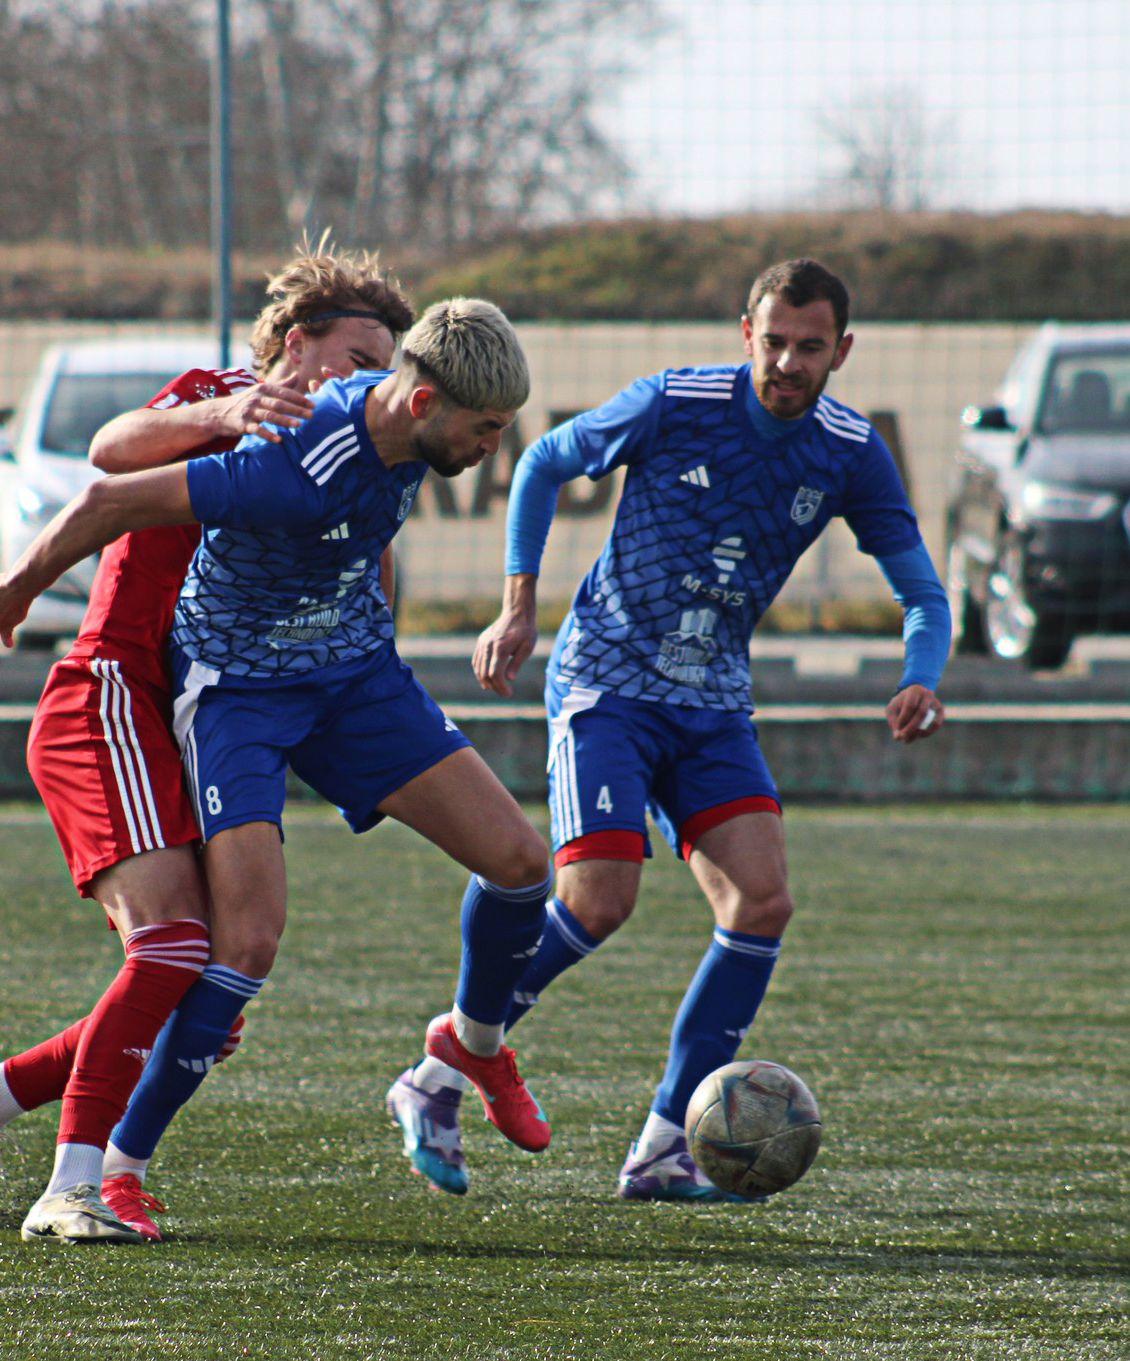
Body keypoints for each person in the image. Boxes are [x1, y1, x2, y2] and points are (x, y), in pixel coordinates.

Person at [0, 296, 560, 1238]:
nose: (494, 446)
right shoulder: (287, 458)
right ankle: (114, 1170)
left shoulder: (399, 420)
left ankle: (469, 1046)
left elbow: (372, 539)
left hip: (355, 680)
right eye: (485, 430)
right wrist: (15, 589)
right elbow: (112, 483)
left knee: (524, 864)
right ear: (424, 401)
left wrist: (376, 639)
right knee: (236, 948)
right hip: (240, 695)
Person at [384, 259, 950, 1201]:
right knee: (600, 900)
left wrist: (919, 677)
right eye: (773, 341)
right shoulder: (673, 403)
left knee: (761, 904)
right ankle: (442, 1070)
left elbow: (922, 592)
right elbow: (542, 462)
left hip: (713, 699)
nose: (788, 363)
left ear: (841, 351)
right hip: (606, 677)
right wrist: (518, 607)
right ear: (746, 333)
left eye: (810, 348)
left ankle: (661, 1145)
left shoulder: (849, 450)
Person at [0, 241, 414, 1244]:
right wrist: (223, 413)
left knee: (209, 996)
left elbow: (373, 568)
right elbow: (109, 447)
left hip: (195, 717)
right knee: (174, 946)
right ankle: (73, 1188)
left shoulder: (353, 454)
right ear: (296, 344)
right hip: (107, 694)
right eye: (356, 355)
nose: (370, 382)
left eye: (384, 365)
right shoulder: (229, 396)